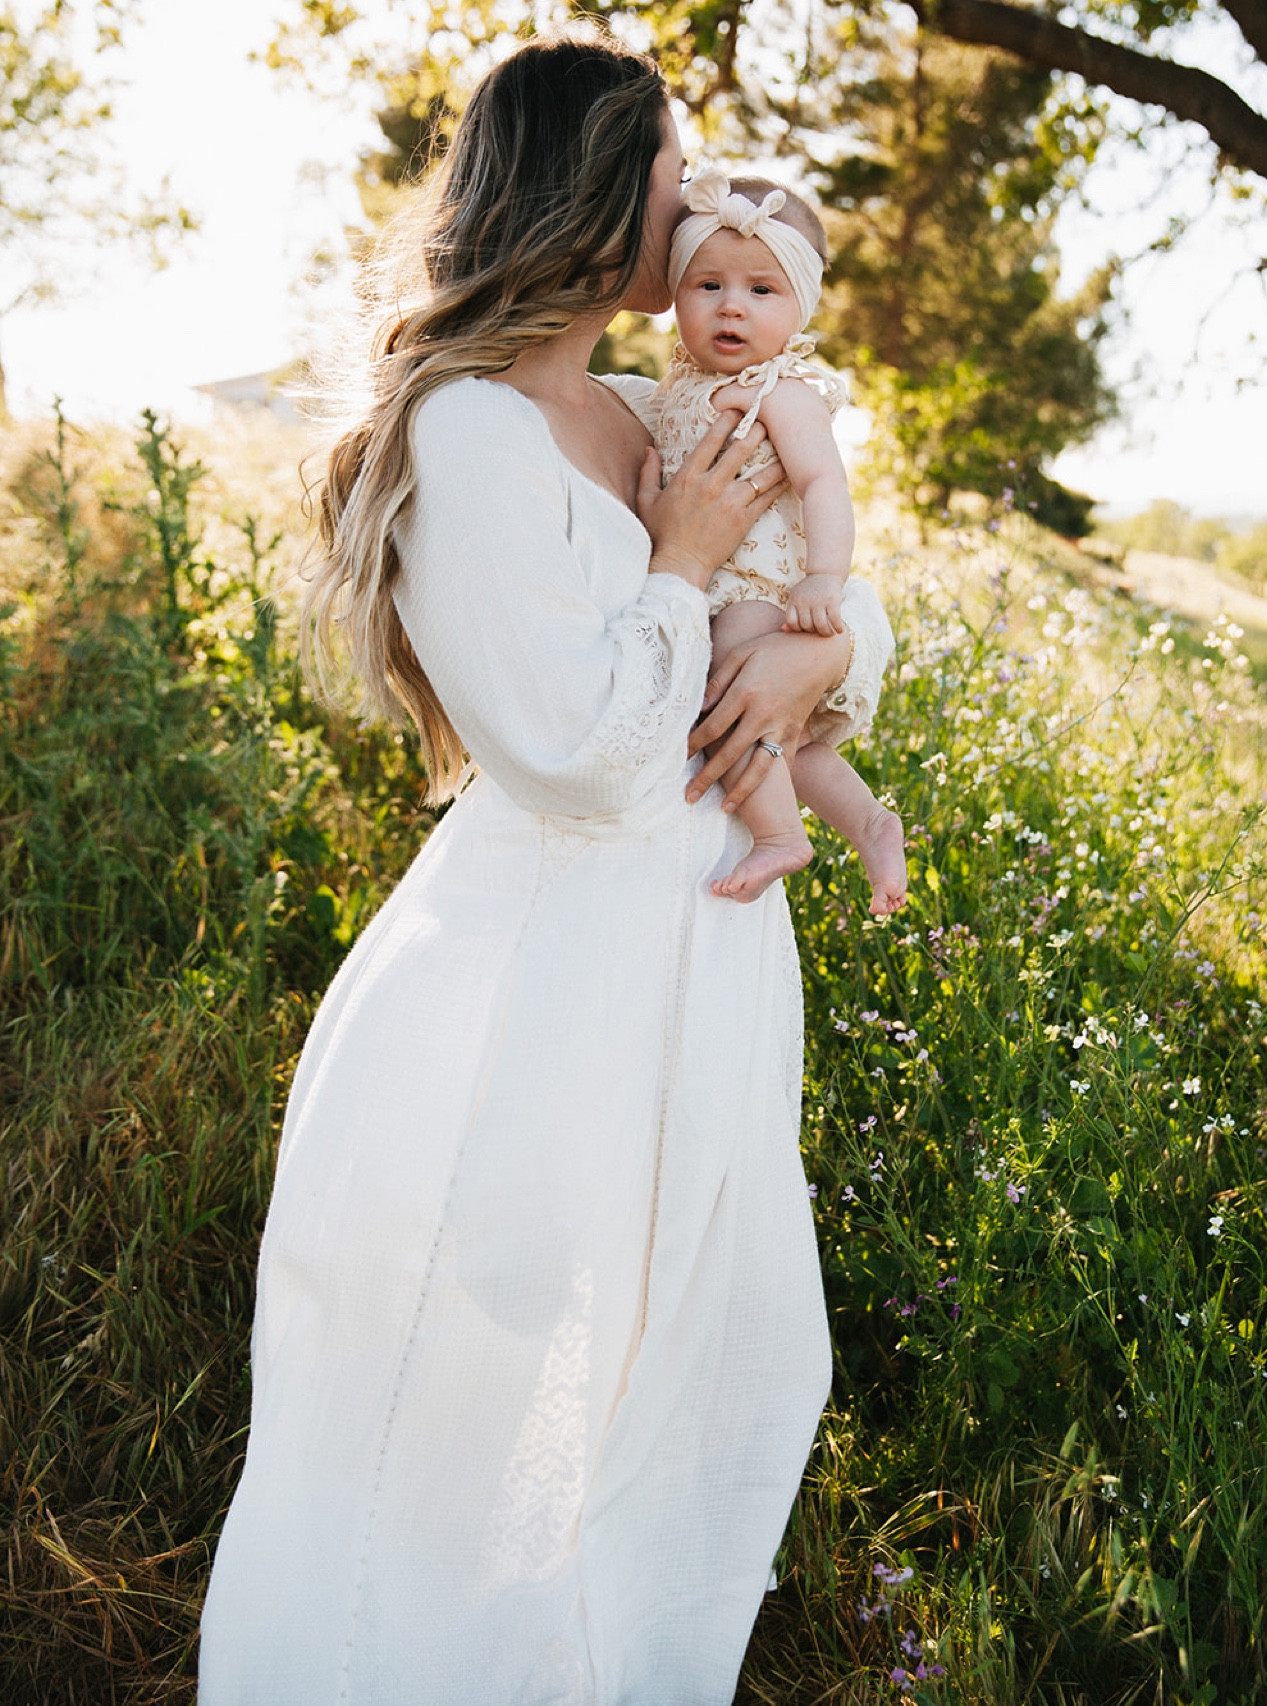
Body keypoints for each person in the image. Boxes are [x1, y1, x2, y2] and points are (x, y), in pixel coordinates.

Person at [198, 29, 893, 1706]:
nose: (693, 196)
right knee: (469, 1377)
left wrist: (818, 655)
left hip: (697, 961)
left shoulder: (648, 400)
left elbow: (820, 583)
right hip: (539, 972)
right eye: (667, 170)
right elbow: (578, 746)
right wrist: (688, 563)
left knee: (682, 1360)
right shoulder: (472, 431)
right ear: (594, 189)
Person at [640, 168, 907, 912]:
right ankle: (869, 822)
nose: (732, 307)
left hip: (756, 588)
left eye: (761, 290)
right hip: (704, 579)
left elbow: (825, 486)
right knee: (792, 742)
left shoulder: (783, 394)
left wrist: (824, 578)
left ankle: (780, 838)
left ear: (800, 306)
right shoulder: (664, 394)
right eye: (707, 286)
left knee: (734, 690)